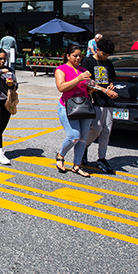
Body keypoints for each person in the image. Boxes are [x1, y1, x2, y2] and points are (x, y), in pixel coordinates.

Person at [80, 37, 119, 173]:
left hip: (108, 101)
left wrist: (111, 86)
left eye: (108, 55)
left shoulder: (108, 63)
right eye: (104, 54)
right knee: (96, 128)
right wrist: (104, 90)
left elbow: (110, 79)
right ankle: (83, 147)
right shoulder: (88, 61)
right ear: (98, 50)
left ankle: (102, 157)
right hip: (95, 100)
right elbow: (88, 81)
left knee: (107, 130)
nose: (106, 57)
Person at [55, 44, 94, 177]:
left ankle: (77, 165)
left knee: (83, 138)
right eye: (75, 56)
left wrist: (91, 87)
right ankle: (60, 155)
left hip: (84, 106)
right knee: (74, 136)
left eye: (80, 56)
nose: (78, 58)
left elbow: (86, 89)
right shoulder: (61, 69)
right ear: (67, 56)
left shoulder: (83, 70)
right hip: (67, 106)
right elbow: (61, 87)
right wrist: (78, 79)